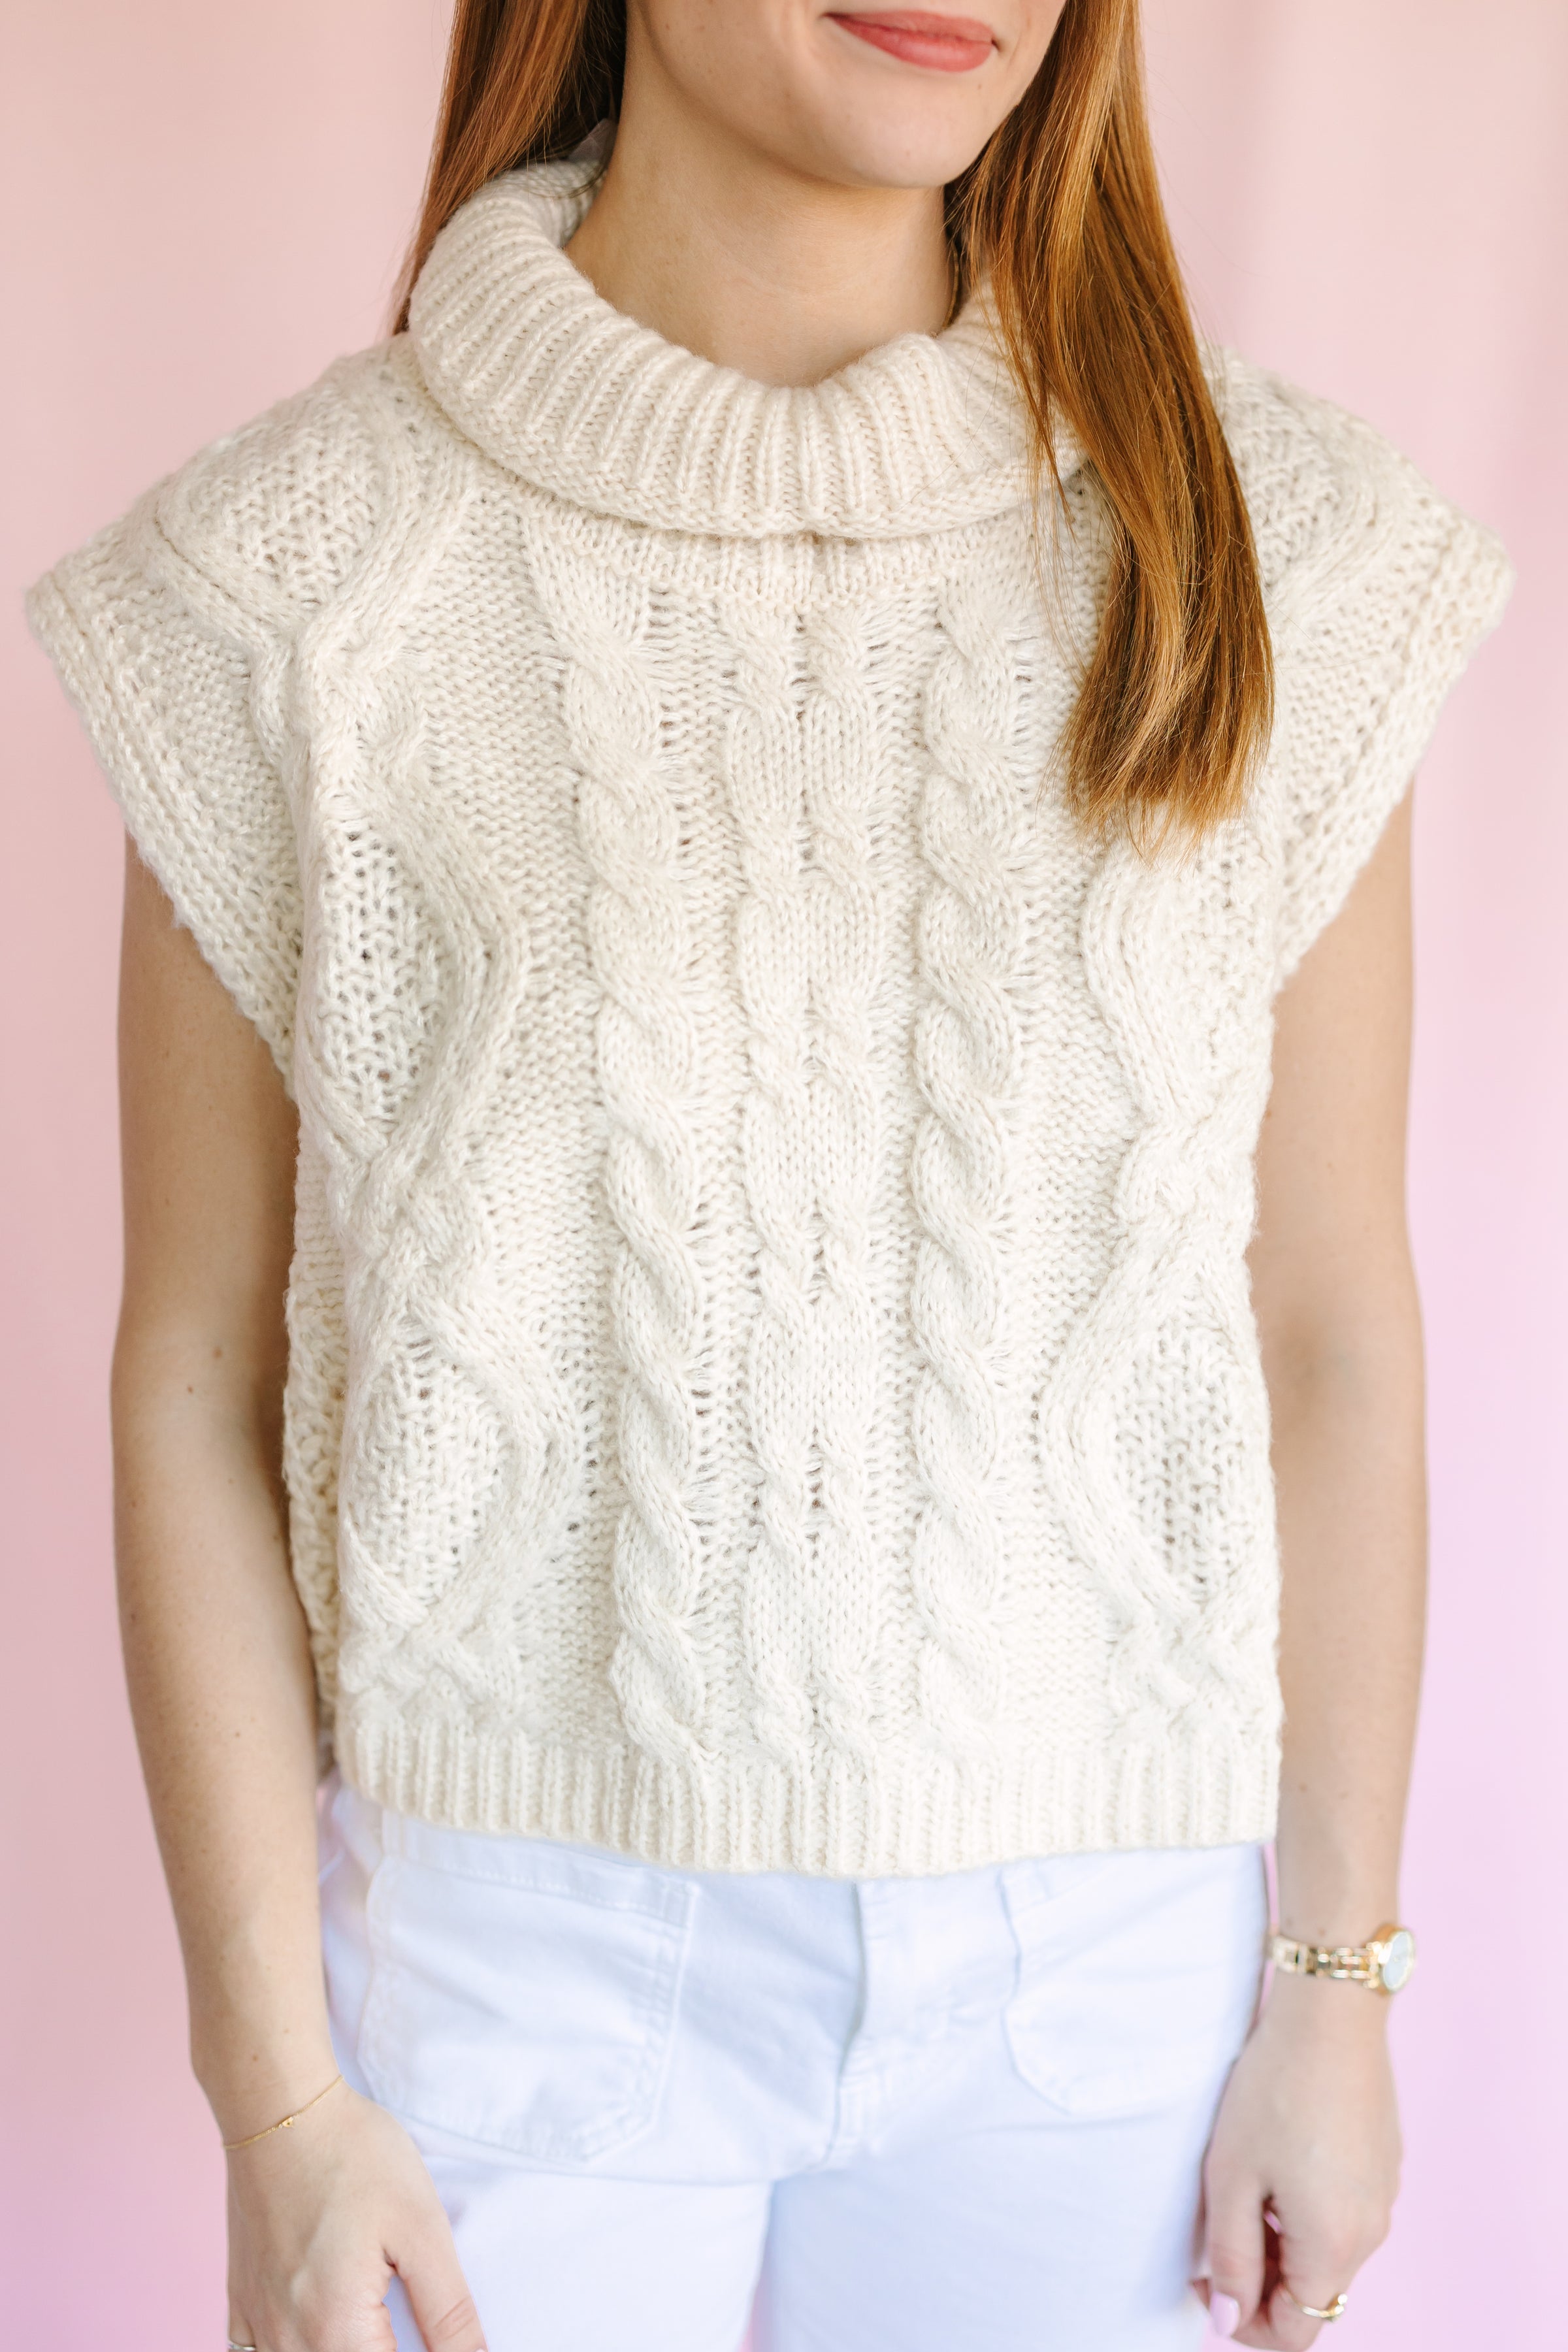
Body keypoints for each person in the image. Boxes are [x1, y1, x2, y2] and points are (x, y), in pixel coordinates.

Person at [27, 3, 1511, 2348]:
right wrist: (278, 2099)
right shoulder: (280, 590)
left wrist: (1338, 1989)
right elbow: (194, 1376)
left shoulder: (1269, 551)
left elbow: (1328, 1323)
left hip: (1105, 1990)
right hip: (505, 1976)